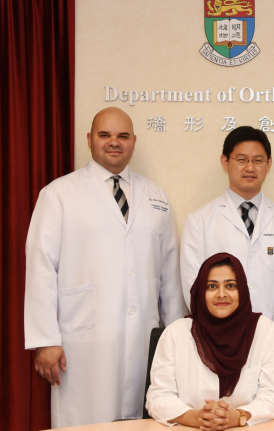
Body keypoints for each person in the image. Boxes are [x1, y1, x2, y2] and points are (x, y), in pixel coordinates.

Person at [24, 107, 187, 427]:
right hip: (81, 341)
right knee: (85, 420)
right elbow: (41, 265)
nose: (114, 142)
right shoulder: (58, 193)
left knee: (142, 417)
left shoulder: (156, 197)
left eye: (123, 136)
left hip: (144, 335)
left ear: (134, 142)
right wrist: (46, 339)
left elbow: (169, 274)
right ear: (89, 139)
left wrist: (177, 334)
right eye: (105, 135)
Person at [180, 126, 274, 412]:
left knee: (270, 418)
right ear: (225, 162)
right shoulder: (199, 221)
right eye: (241, 159)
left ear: (269, 165)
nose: (250, 167)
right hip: (216, 345)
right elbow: (194, 285)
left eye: (258, 160)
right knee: (218, 416)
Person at [147, 253, 274, 428]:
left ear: (242, 290)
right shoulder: (176, 333)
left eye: (230, 285)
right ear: (201, 292)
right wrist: (195, 417)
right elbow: (158, 397)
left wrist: (236, 417)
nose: (221, 294)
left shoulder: (264, 330)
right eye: (212, 286)